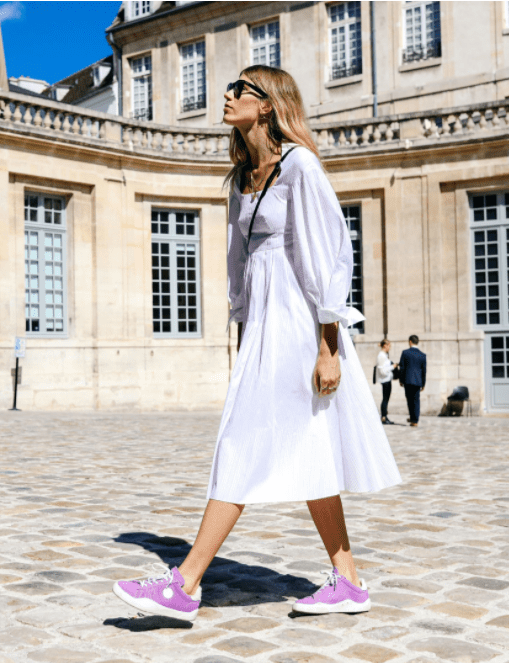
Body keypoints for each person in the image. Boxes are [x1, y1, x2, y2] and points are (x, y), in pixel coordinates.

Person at [112, 65, 401, 621]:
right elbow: (238, 266)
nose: (226, 96)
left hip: (299, 327)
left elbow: (329, 259)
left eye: (239, 89)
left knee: (241, 442)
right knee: (308, 451)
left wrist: (328, 347)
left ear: (267, 105)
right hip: (264, 332)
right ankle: (349, 583)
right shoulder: (241, 177)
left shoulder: (301, 168)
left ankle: (186, 582)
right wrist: (245, 336)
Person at [398, 335, 427, 427]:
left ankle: (412, 417)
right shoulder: (422, 355)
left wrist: (401, 380)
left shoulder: (405, 353)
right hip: (418, 381)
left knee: (409, 400)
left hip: (407, 380)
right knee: (416, 400)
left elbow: (402, 368)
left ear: (410, 342)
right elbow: (424, 371)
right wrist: (423, 383)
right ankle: (415, 420)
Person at [375, 339, 397, 424]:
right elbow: (381, 370)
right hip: (385, 380)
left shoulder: (384, 355)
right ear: (385, 345)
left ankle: (384, 416)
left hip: (387, 379)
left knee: (386, 398)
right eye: (389, 346)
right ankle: (383, 417)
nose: (390, 348)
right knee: (385, 398)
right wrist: (393, 366)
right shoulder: (381, 355)